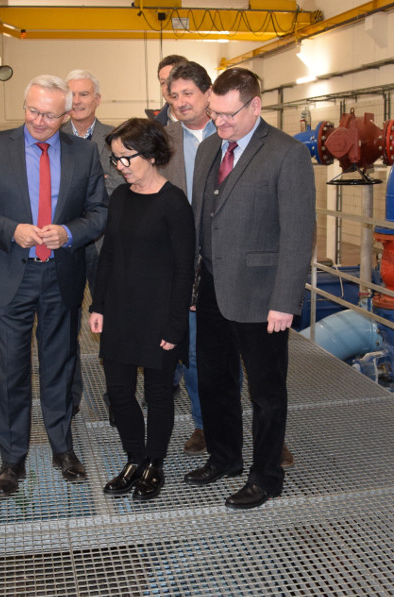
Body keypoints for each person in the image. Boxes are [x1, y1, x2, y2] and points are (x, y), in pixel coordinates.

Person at [0, 74, 108, 498]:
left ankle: (63, 449)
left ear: (66, 114)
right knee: (12, 369)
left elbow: (99, 212)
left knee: (60, 365)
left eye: (49, 115)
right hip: (10, 275)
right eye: (33, 111)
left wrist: (69, 233)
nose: (39, 121)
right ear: (24, 105)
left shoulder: (85, 153)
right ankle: (12, 459)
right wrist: (11, 229)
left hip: (61, 274)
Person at [185, 68, 315, 510]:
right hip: (212, 288)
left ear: (255, 105)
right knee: (215, 381)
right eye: (213, 114)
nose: (219, 123)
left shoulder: (286, 153)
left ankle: (266, 476)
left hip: (262, 297)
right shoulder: (208, 150)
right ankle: (224, 459)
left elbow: (299, 234)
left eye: (227, 115)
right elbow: (203, 222)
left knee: (265, 391)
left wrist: (285, 301)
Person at [89, 118, 195, 501]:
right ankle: (133, 457)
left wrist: (174, 326)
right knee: (119, 392)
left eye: (126, 158)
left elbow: (185, 269)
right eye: (115, 159)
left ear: (150, 155)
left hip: (158, 315)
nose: (119, 166)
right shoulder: (119, 198)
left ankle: (154, 462)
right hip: (119, 311)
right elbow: (109, 255)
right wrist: (98, 304)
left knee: (158, 394)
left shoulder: (174, 203)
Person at [159, 61, 215, 456]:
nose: (179, 102)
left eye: (187, 93)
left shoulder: (232, 132)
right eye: (173, 95)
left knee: (250, 354)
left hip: (229, 263)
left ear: (208, 93)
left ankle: (270, 435)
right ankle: (204, 424)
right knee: (193, 353)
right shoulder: (162, 142)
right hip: (184, 263)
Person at [61, 69, 124, 419]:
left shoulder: (115, 138)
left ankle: (118, 397)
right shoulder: (53, 137)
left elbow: (123, 185)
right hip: (66, 245)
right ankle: (70, 400)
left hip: (105, 246)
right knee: (64, 323)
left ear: (97, 99)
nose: (77, 101)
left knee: (113, 323)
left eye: (84, 94)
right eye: (71, 95)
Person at [152, 55, 187, 126]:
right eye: (163, 83)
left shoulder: (212, 120)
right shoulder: (153, 128)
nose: (167, 87)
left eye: (171, 80)